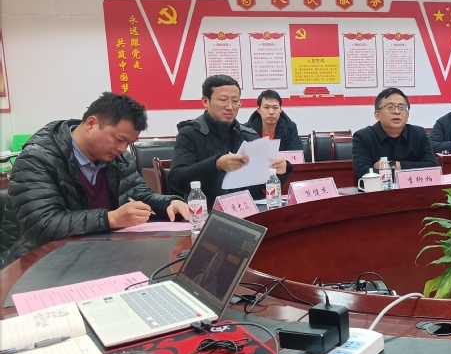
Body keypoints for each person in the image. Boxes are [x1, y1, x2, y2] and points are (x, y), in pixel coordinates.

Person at [0, 92, 189, 268]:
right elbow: (43, 225)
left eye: (128, 143)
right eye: (118, 139)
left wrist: (167, 203)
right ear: (91, 124)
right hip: (39, 261)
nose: (122, 149)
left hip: (98, 253)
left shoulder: (118, 158)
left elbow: (140, 194)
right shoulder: (37, 158)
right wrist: (110, 218)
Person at [168, 75, 292, 208]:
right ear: (205, 101)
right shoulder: (190, 133)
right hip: (208, 210)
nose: (230, 107)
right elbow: (177, 180)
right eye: (223, 100)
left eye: (235, 101)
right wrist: (216, 164)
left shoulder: (248, 135)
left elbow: (262, 181)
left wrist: (281, 170)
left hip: (249, 209)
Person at [352, 88, 437, 179]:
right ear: (377, 115)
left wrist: (395, 165)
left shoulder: (418, 134)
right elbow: (363, 173)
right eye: (390, 107)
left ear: (407, 115)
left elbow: (432, 167)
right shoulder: (363, 137)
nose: (397, 112)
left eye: (402, 108)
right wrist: (409, 168)